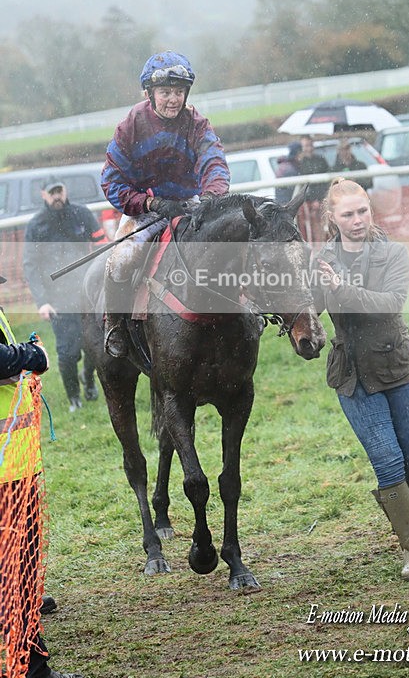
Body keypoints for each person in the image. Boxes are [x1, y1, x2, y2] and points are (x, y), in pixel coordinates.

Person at [313, 178, 409, 581]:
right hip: (351, 376)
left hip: (399, 367)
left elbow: (389, 305)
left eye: (362, 211)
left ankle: (396, 505)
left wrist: (341, 288)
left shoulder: (394, 254)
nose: (356, 220)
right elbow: (308, 309)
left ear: (371, 210)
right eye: (347, 214)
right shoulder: (320, 260)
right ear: (331, 218)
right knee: (389, 464)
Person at [101, 50, 230, 358]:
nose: (173, 99)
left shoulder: (198, 124)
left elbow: (215, 164)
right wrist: (149, 203)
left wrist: (211, 198)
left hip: (190, 204)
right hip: (143, 210)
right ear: (150, 93)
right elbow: (111, 181)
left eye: (179, 92)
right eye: (165, 92)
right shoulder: (130, 125)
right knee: (120, 261)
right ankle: (115, 325)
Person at [0, 276, 83, 678]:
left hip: (16, 467)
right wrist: (30, 355)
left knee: (18, 571)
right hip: (6, 473)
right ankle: (33, 669)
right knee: (12, 573)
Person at [23, 178, 104, 412]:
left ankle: (88, 380)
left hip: (87, 294)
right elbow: (30, 265)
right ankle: (74, 399)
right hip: (57, 300)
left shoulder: (82, 214)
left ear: (65, 190)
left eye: (59, 191)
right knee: (67, 353)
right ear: (43, 195)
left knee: (94, 347)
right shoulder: (36, 225)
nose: (57, 196)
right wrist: (42, 302)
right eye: (52, 193)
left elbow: (102, 246)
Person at [297, 135, 330, 245]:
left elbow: (325, 180)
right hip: (308, 202)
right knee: (310, 228)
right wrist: (312, 198)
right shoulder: (300, 163)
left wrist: (319, 198)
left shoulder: (321, 160)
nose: (308, 148)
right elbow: (303, 185)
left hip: (321, 198)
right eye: (306, 146)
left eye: (310, 145)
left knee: (324, 225)